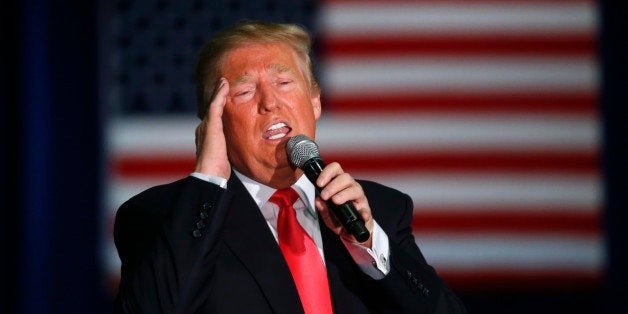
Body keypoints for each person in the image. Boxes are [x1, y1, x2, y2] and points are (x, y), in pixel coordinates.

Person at [113, 20, 467, 313]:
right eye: (245, 92)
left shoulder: (380, 210)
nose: (270, 102)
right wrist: (207, 180)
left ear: (315, 102)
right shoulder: (162, 217)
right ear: (214, 120)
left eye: (284, 83)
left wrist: (369, 243)